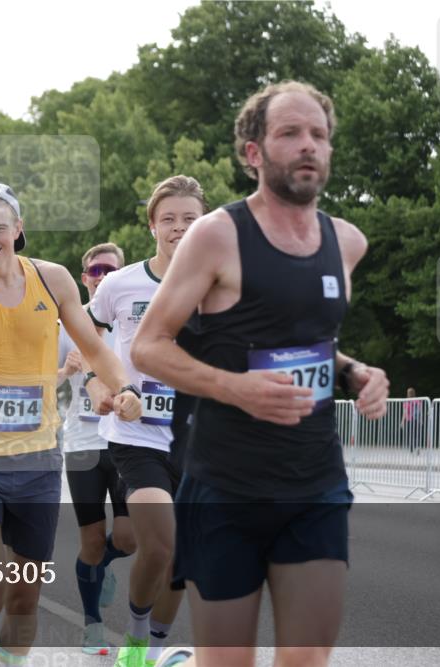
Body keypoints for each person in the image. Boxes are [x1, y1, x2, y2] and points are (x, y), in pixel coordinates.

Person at [131, 80, 390, 667]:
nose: (308, 146)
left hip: (314, 484)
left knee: (306, 660)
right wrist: (234, 387)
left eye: (319, 136)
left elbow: (317, 346)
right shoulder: (217, 235)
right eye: (290, 133)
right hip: (226, 487)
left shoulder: (346, 242)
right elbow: (149, 346)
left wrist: (355, 373)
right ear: (254, 152)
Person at [0, 182, 142, 667]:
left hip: (38, 462)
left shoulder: (52, 279)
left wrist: (126, 388)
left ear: (18, 229)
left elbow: (93, 348)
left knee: (24, 598)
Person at [85, 176, 203, 667]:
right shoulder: (119, 284)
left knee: (182, 561)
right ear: (153, 225)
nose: (179, 228)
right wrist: (100, 388)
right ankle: (134, 641)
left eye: (190, 220)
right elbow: (90, 342)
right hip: (135, 435)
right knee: (161, 544)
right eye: (169, 219)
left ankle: (152, 652)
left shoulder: (223, 286)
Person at [56, 242, 137, 656]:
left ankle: (101, 567)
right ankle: (92, 626)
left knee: (128, 537)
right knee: (90, 540)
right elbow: (41, 384)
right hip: (84, 444)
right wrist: (63, 371)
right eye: (94, 270)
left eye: (110, 269)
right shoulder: (63, 327)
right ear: (84, 277)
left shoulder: (131, 319)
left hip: (125, 442)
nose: (102, 276)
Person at [401, 388, 424, 454]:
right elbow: (420, 411)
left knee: (410, 435)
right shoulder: (417, 401)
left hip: (410, 420)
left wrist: (402, 421)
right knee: (416, 435)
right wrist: (421, 419)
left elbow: (404, 412)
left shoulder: (406, 401)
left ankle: (412, 449)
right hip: (415, 420)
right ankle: (417, 448)